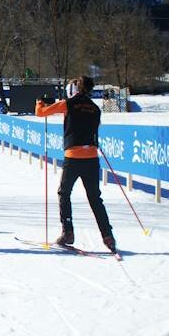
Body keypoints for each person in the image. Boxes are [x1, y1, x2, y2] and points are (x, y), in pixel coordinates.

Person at [35, 76, 116, 252]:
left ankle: (68, 231)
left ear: (74, 89)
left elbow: (41, 113)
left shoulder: (68, 104)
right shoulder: (95, 109)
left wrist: (40, 102)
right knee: (95, 199)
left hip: (73, 156)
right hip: (92, 157)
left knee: (64, 193)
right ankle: (108, 236)